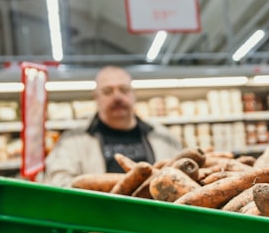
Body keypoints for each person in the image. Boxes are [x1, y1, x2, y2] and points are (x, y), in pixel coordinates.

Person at [43, 65, 182, 187]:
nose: (117, 97)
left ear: (134, 95)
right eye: (107, 91)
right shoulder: (72, 141)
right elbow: (58, 183)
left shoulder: (164, 137)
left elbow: (183, 179)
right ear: (96, 97)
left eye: (124, 89)